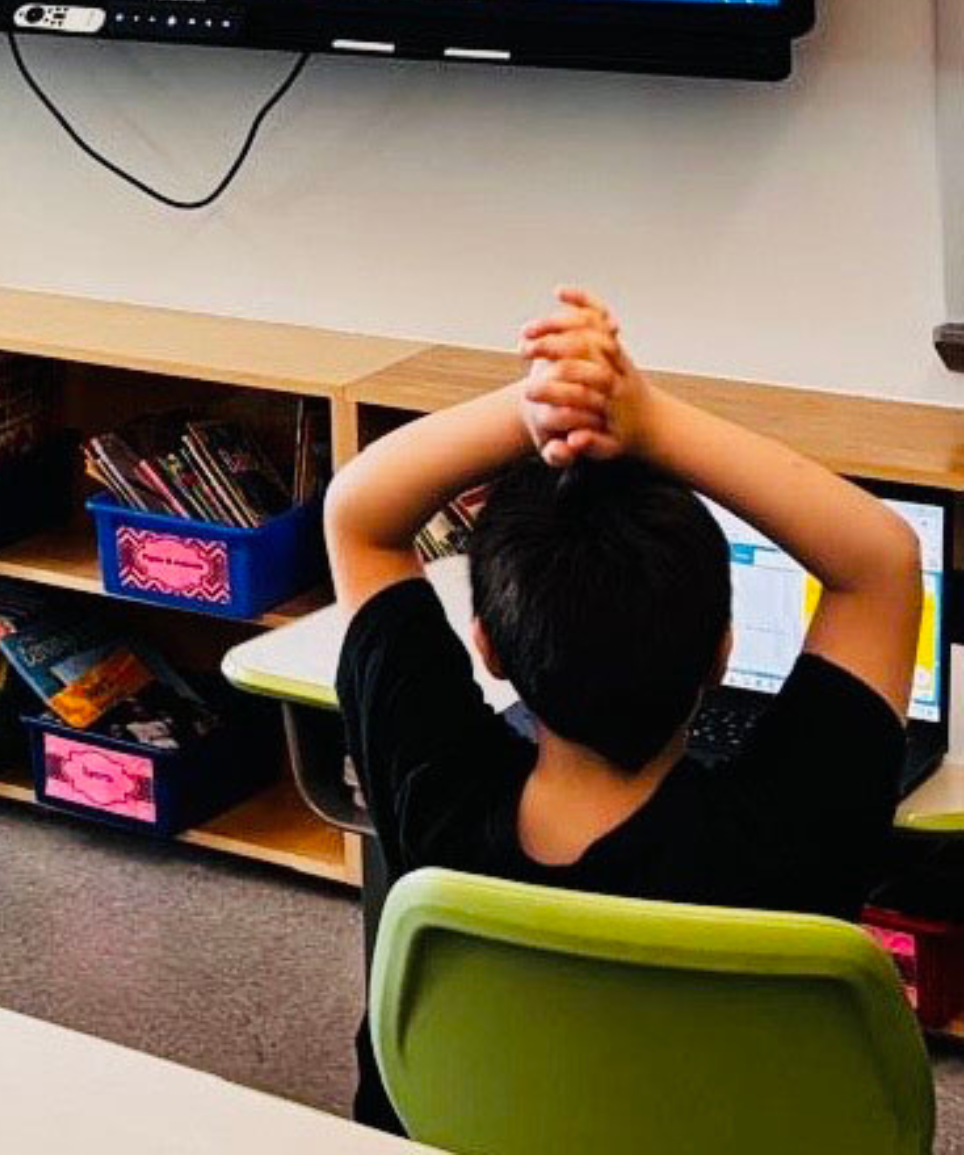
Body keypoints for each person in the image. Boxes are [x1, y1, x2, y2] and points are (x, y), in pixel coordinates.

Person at [327, 287, 927, 1134]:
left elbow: (357, 515)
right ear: (721, 652)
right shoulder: (786, 836)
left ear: (488, 646)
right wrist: (646, 418)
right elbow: (881, 561)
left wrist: (536, 404)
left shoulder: (437, 796)